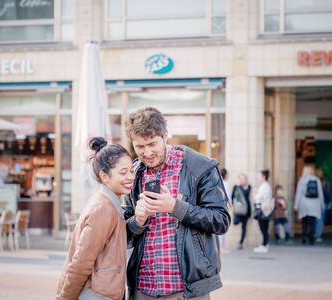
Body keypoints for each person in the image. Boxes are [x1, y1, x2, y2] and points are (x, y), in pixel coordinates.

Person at [123, 107, 230, 300]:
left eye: (152, 144)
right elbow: (124, 235)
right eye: (139, 147)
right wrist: (137, 221)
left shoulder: (200, 167)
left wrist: (175, 207)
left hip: (186, 290)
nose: (146, 153)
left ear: (165, 136)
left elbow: (221, 220)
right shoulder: (134, 174)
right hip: (142, 288)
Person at [56, 137, 134, 300]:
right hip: (97, 295)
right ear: (104, 176)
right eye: (123, 172)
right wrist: (64, 298)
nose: (130, 177)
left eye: (131, 171)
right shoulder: (104, 208)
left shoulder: (109, 203)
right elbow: (80, 264)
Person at [294, 166, 324, 245]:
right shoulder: (317, 180)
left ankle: (304, 237)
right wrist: (322, 204)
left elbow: (299, 193)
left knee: (304, 221)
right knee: (312, 222)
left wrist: (296, 205)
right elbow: (320, 193)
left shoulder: (302, 180)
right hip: (315, 203)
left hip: (304, 203)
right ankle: (311, 239)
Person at [253, 170, 274, 254]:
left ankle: (264, 245)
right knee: (264, 228)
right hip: (265, 210)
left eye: (259, 175)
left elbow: (258, 197)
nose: (258, 177)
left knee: (263, 228)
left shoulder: (265, 186)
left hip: (262, 210)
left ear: (263, 176)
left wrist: (255, 194)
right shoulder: (265, 185)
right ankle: (265, 244)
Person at [231, 173, 252, 250]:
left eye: (243, 179)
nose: (242, 180)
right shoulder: (236, 187)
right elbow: (232, 196)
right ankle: (240, 242)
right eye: (240, 179)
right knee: (235, 222)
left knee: (244, 227)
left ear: (246, 180)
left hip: (246, 211)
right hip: (238, 211)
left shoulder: (249, 188)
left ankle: (241, 242)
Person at [314, 169, 331, 243]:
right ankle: (318, 235)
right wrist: (329, 201)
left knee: (314, 219)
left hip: (313, 203)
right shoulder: (324, 182)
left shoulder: (313, 181)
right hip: (322, 202)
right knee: (320, 220)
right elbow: (327, 193)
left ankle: (314, 233)